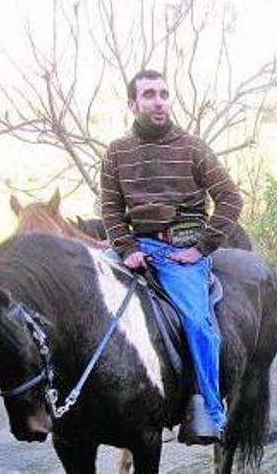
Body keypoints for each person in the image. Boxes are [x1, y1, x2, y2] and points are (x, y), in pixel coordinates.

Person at [101, 69, 244, 444]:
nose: (159, 101)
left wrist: (200, 249)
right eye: (149, 95)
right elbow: (111, 211)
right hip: (132, 248)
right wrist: (127, 250)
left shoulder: (193, 147)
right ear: (133, 104)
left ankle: (211, 413)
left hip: (180, 250)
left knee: (198, 324)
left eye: (164, 93)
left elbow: (231, 199)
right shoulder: (116, 152)